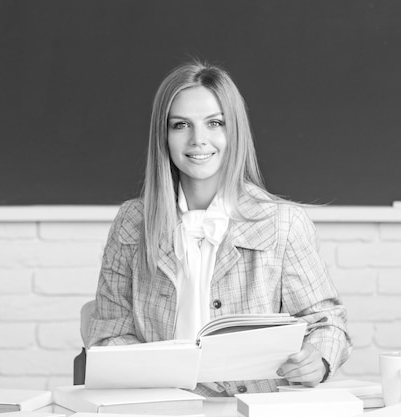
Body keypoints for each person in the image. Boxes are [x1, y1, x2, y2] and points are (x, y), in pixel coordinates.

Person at [87, 60, 351, 397]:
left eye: (215, 123)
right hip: (161, 406)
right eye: (181, 125)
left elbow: (327, 322)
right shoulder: (132, 224)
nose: (199, 140)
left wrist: (319, 359)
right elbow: (109, 331)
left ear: (234, 131)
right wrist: (164, 376)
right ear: (164, 137)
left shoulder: (282, 223)